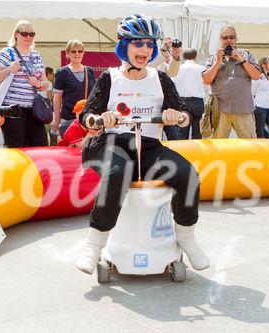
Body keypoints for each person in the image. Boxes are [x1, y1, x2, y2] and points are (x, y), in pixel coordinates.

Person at [76, 14, 209, 275]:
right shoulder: (109, 78)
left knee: (187, 174)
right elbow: (86, 115)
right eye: (138, 43)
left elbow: (184, 113)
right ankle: (94, 245)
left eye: (149, 44)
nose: (145, 50)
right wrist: (98, 119)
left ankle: (187, 238)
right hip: (112, 142)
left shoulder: (160, 79)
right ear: (124, 45)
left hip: (148, 146)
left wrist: (178, 116)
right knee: (118, 171)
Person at [0, 20, 49, 148]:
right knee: (16, 148)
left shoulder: (36, 55)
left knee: (40, 146)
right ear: (16, 34)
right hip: (13, 110)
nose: (28, 37)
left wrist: (38, 83)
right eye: (24, 33)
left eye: (32, 34)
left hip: (34, 110)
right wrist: (9, 69)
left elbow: (46, 83)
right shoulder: (6, 53)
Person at [202, 25, 261, 138]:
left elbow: (257, 76)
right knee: (219, 146)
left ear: (236, 39)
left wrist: (242, 60)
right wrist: (218, 62)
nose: (228, 40)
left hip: (244, 109)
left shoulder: (246, 55)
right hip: (220, 111)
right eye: (225, 37)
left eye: (231, 37)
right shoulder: (214, 57)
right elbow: (206, 80)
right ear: (220, 39)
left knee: (249, 146)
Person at [52, 40, 96, 137]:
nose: (77, 54)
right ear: (68, 53)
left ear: (83, 53)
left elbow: (95, 96)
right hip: (69, 120)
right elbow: (57, 98)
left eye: (80, 51)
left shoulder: (89, 71)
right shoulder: (62, 72)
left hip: (87, 119)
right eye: (73, 51)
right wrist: (56, 119)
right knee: (69, 151)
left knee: (88, 150)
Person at [171, 48, 207, 139]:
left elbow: (172, 85)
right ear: (195, 57)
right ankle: (196, 153)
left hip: (182, 103)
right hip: (198, 103)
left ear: (184, 57)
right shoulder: (202, 69)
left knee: (182, 133)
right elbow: (208, 86)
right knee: (197, 134)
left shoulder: (178, 69)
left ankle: (183, 153)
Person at [252, 57, 269, 138]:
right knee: (260, 131)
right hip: (259, 107)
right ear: (263, 65)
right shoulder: (258, 76)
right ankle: (262, 148)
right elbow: (252, 92)